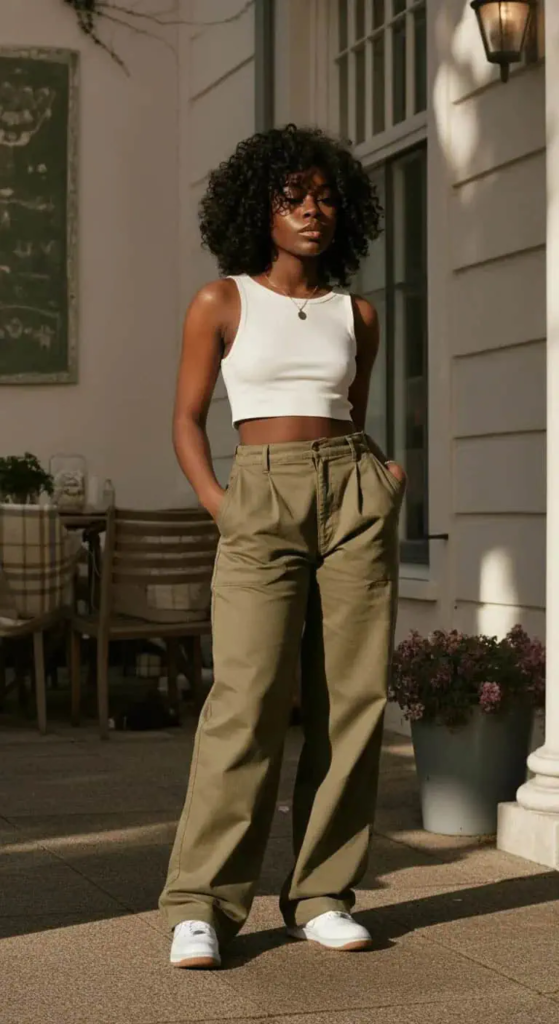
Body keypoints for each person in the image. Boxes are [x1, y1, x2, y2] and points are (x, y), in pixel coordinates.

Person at [159, 124, 406, 969]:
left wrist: (382, 482)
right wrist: (222, 506)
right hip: (259, 494)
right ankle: (202, 904)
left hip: (353, 493)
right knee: (247, 697)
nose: (311, 212)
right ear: (258, 209)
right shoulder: (220, 301)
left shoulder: (356, 314)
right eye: (292, 198)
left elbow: (353, 412)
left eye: (325, 198)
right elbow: (187, 420)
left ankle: (323, 894)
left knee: (351, 699)